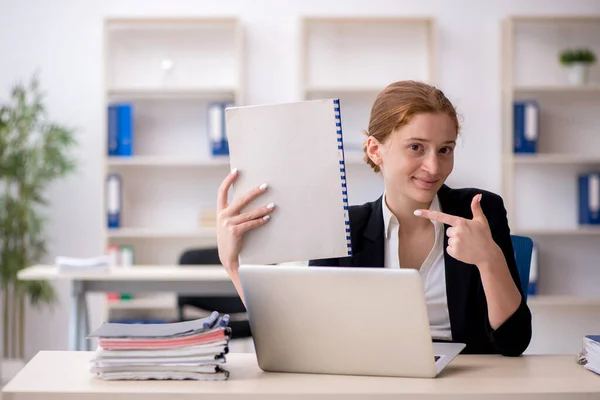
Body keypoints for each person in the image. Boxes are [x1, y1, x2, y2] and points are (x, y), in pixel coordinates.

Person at [215, 80, 532, 357]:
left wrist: (489, 260)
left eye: (445, 149)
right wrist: (233, 265)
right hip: (375, 382)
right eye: (416, 147)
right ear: (375, 150)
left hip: (467, 384)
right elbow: (301, 343)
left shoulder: (478, 211)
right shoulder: (346, 226)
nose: (434, 167)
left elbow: (514, 342)